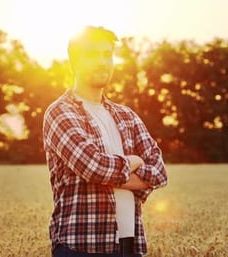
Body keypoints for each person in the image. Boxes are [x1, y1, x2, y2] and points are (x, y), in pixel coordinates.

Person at [43, 26, 168, 257]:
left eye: (107, 54)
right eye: (92, 54)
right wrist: (135, 161)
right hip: (80, 246)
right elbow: (93, 166)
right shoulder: (60, 112)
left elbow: (160, 173)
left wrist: (111, 172)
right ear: (75, 61)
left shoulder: (126, 115)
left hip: (129, 244)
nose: (102, 61)